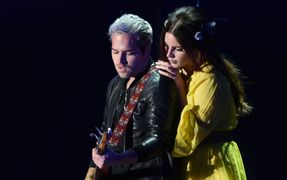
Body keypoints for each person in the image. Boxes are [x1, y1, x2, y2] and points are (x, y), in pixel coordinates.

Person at [155, 6, 252, 180]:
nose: (169, 54)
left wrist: (180, 87)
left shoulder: (210, 79)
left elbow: (190, 134)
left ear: (197, 48)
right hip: (195, 163)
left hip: (212, 164)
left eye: (177, 49)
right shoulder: (185, 71)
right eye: (166, 45)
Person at [85, 13, 179, 180]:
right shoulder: (115, 83)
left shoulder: (158, 81)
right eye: (115, 52)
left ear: (147, 49)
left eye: (128, 53)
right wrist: (93, 169)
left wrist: (118, 158)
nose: (120, 60)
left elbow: (160, 139)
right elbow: (106, 129)